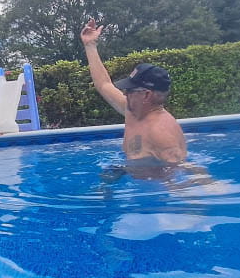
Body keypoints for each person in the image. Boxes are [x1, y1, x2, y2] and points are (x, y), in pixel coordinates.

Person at [80, 18, 186, 167]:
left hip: (150, 187)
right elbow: (103, 84)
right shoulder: (134, 111)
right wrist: (90, 45)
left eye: (130, 90)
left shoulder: (161, 133)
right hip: (129, 170)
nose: (125, 93)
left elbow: (182, 172)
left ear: (146, 95)